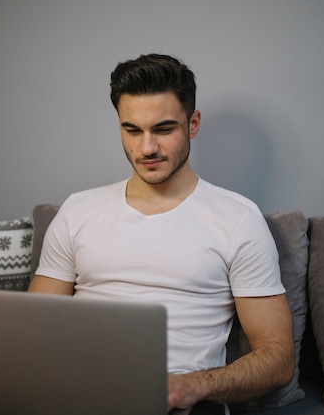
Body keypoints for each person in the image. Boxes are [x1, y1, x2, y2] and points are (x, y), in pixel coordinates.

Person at [28, 54, 294, 414]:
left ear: (193, 123)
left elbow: (278, 359)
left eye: (164, 129)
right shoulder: (78, 210)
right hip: (81, 389)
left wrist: (194, 386)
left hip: (179, 398)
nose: (147, 148)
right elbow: (32, 330)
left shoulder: (238, 219)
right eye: (132, 130)